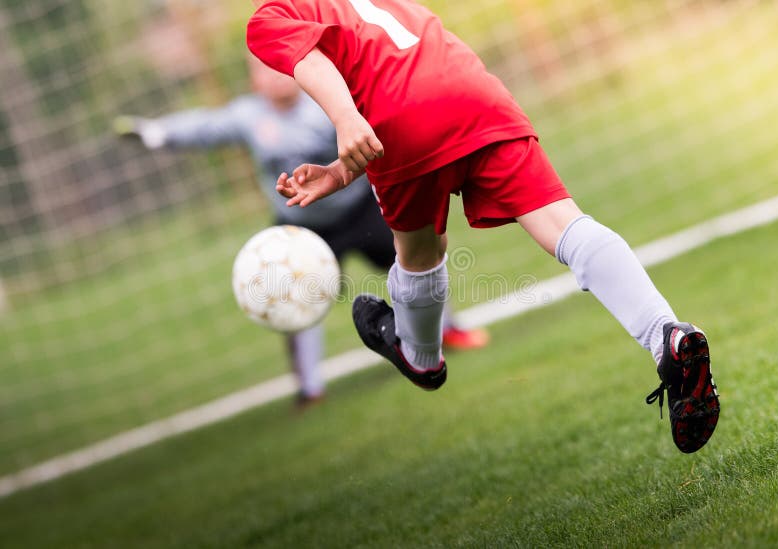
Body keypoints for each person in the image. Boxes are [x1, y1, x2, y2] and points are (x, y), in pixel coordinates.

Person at [246, 0, 720, 451]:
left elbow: (309, 59)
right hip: (473, 90)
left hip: (398, 121)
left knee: (419, 251)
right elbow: (394, 64)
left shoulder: (271, 15)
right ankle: (667, 337)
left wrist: (346, 118)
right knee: (563, 222)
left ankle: (421, 356)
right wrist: (340, 170)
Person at [113, 54, 489, 407]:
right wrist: (156, 133)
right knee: (289, 296)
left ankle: (446, 330)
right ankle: (309, 388)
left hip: (358, 208)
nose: (275, 76)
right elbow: (204, 127)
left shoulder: (325, 102)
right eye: (264, 70)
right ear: (253, 79)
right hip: (300, 228)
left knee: (418, 256)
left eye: (280, 67)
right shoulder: (249, 115)